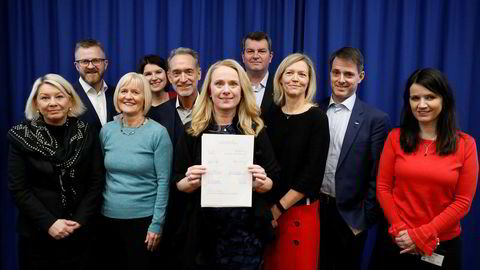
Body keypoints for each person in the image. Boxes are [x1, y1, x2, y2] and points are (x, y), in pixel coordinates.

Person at [173, 59, 280, 269]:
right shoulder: (191, 131)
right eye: (219, 84)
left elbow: (274, 180)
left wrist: (262, 182)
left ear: (242, 90)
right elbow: (177, 182)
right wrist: (190, 181)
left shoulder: (255, 130)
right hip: (202, 237)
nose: (226, 90)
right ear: (209, 91)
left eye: (233, 84)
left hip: (246, 237)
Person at [375, 68, 478, 269]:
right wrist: (402, 232)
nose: (421, 105)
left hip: (441, 245)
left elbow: (463, 202)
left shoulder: (466, 144)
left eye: (430, 97)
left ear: (444, 100)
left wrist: (421, 235)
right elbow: (383, 188)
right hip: (399, 242)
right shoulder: (395, 138)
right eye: (415, 98)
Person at [7, 74, 104, 270]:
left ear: (70, 100)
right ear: (35, 103)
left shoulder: (87, 132)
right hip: (37, 234)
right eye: (45, 97)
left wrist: (78, 221)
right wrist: (49, 223)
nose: (53, 103)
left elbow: (96, 181)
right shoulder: (20, 136)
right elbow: (19, 188)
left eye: (59, 96)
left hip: (81, 233)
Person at [318, 47, 391, 270]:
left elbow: (378, 175)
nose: (341, 80)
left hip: (350, 218)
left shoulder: (376, 119)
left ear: (361, 76)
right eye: (335, 72)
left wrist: (363, 220)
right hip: (314, 211)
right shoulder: (314, 110)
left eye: (348, 74)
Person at [99, 72, 173, 270]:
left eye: (135, 92)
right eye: (124, 91)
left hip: (144, 222)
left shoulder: (158, 133)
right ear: (117, 96)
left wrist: (157, 224)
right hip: (108, 219)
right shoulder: (107, 131)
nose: (128, 96)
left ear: (145, 98)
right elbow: (100, 176)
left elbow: (164, 182)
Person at [263, 53, 330, 270]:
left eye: (302, 74)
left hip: (298, 212)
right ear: (280, 78)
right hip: (267, 213)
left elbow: (311, 175)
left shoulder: (317, 118)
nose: (295, 78)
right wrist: (267, 211)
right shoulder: (270, 115)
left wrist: (277, 210)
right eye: (289, 73)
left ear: (309, 81)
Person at [138, 54, 183, 146]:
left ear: (167, 74)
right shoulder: (137, 105)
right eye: (148, 74)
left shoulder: (179, 99)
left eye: (158, 72)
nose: (154, 78)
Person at [73, 38, 116, 131]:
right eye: (84, 61)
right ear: (77, 66)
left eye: (96, 60)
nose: (91, 66)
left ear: (105, 64)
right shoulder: (68, 96)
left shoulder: (118, 94)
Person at [241, 31, 274, 116]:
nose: (255, 56)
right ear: (243, 57)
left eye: (261, 51)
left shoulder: (281, 87)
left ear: (270, 57)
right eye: (250, 51)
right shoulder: (233, 85)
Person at [167, 47, 201, 124]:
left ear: (199, 74)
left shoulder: (215, 110)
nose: (183, 79)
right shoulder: (158, 114)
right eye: (177, 73)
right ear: (169, 77)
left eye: (189, 72)